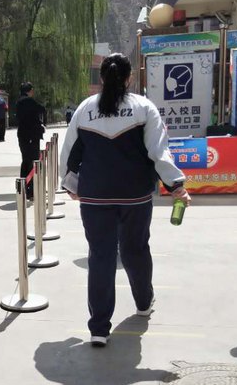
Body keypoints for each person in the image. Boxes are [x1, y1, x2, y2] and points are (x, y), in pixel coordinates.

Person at [60, 53, 189, 347]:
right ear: (129, 78)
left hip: (94, 197)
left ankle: (99, 328)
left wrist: (70, 185)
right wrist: (176, 186)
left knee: (101, 257)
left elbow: (69, 154)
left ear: (102, 78)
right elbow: (159, 152)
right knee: (136, 250)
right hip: (135, 196)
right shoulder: (143, 108)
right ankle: (143, 303)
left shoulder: (85, 109)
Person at [16, 82, 46, 199]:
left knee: (25, 161)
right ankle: (31, 189)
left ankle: (23, 188)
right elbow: (42, 109)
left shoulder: (18, 102)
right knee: (32, 162)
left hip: (22, 135)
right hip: (31, 136)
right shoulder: (29, 101)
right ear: (29, 90)